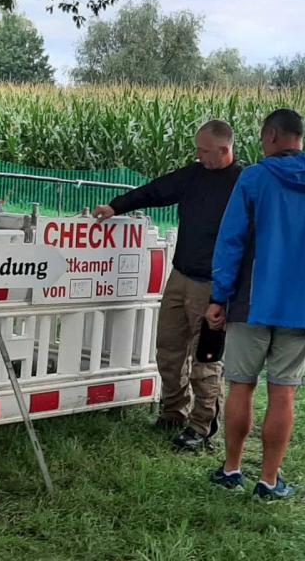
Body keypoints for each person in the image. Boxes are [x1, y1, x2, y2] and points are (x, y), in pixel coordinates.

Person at [205, 108, 305, 501]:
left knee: (241, 387)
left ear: (272, 135)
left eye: (261, 137)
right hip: (303, 307)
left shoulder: (254, 178)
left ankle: (231, 469)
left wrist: (219, 296)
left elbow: (231, 241)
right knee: (284, 393)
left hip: (250, 303)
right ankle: (269, 481)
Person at [93, 120, 242, 451]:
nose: (198, 156)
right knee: (168, 350)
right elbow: (156, 190)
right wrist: (117, 205)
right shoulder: (193, 175)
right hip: (180, 276)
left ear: (224, 149)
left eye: (204, 151)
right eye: (197, 150)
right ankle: (173, 411)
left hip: (214, 285)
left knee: (205, 359)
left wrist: (228, 292)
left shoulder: (243, 184)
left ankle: (201, 426)